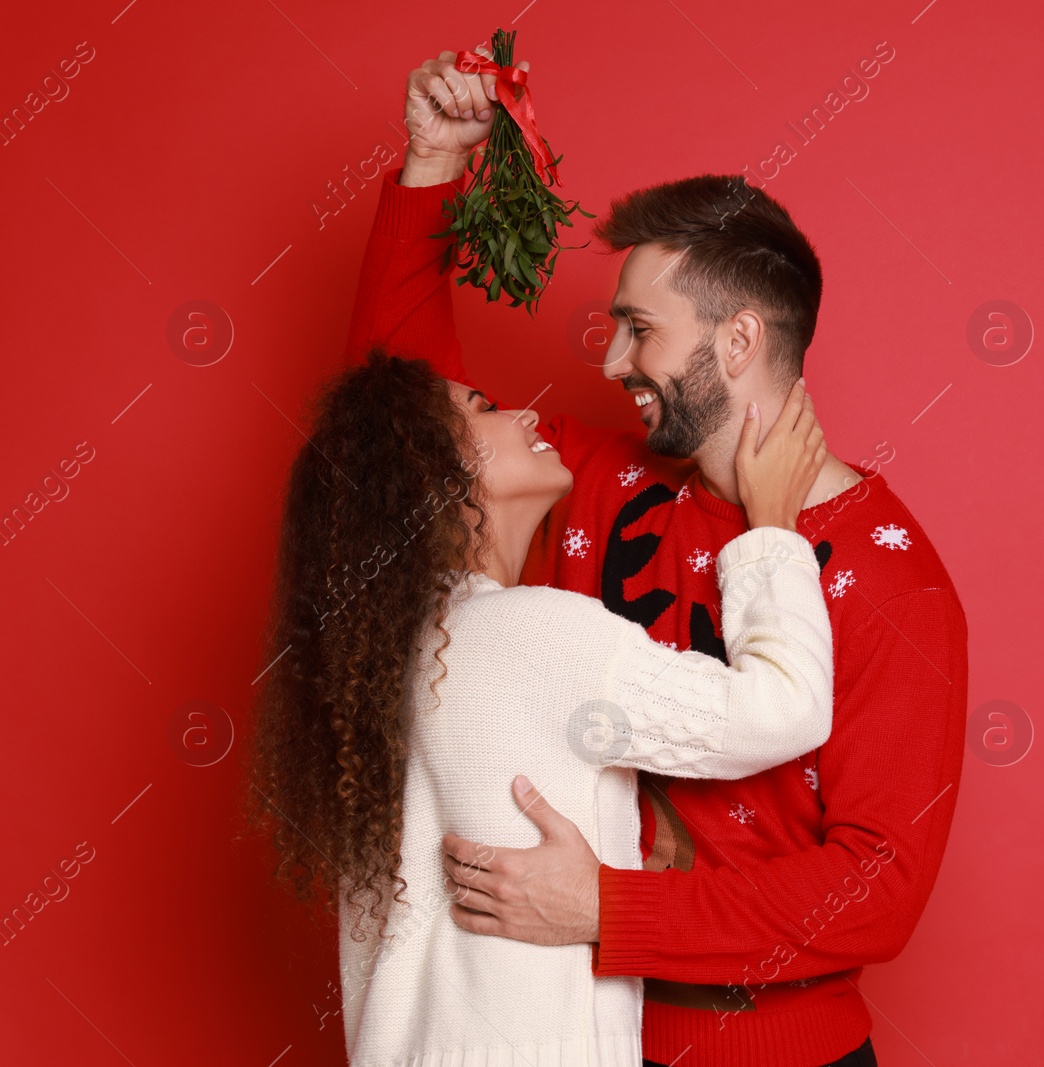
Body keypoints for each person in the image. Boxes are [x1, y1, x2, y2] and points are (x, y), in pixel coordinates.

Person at [346, 49, 969, 1067]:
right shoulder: (589, 482)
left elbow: (877, 886)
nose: (607, 360)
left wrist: (610, 907)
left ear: (735, 344)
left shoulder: (894, 580)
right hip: (582, 1033)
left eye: (638, 329)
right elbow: (406, 431)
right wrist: (429, 167)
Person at [251, 351, 838, 1066]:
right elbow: (783, 709)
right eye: (479, 405)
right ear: (430, 471)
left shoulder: (378, 669)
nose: (524, 414)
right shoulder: (533, 634)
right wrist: (771, 529)